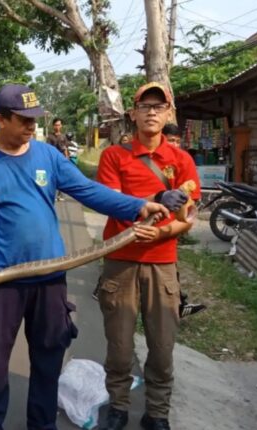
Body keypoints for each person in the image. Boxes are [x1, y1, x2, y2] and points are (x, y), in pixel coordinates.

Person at [0, 84, 170, 430]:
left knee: (47, 360)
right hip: (1, 281)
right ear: (0, 120)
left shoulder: (48, 157)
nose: (32, 126)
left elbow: (90, 192)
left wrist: (139, 206)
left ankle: (42, 424)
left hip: (50, 277)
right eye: (23, 120)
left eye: (36, 119)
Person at [96, 82, 201, 430]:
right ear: (133, 113)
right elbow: (109, 201)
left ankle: (157, 412)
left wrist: (161, 232)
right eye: (145, 106)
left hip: (162, 263)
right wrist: (147, 208)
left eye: (160, 106)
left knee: (162, 346)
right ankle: (119, 406)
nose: (152, 112)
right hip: (120, 261)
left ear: (169, 114)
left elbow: (187, 218)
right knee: (120, 346)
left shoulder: (181, 160)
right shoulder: (115, 155)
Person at [161, 123, 206, 318]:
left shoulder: (182, 160)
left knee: (169, 272)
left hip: (169, 228)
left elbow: (191, 201)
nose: (174, 144)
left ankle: (179, 305)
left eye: (178, 141)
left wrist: (181, 222)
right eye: (171, 140)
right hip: (143, 224)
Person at [47, 118, 69, 200]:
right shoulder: (50, 137)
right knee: (52, 177)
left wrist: (67, 158)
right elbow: (48, 149)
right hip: (52, 159)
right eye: (56, 125)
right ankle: (52, 194)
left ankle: (60, 194)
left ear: (61, 126)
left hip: (61, 159)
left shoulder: (63, 136)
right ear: (53, 126)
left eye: (59, 125)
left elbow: (66, 148)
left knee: (61, 177)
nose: (57, 127)